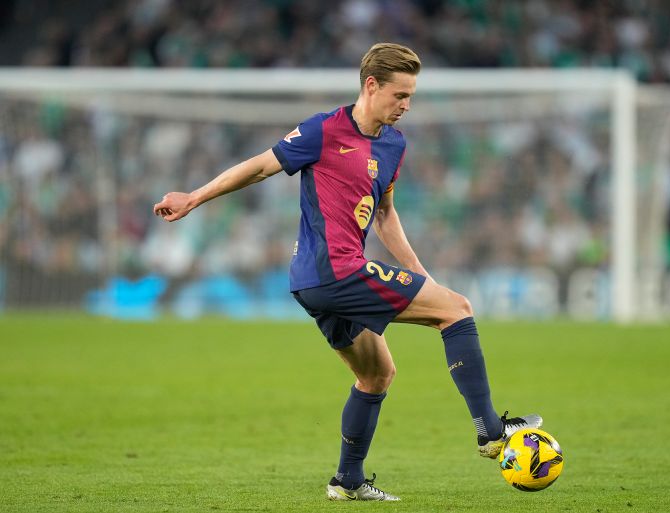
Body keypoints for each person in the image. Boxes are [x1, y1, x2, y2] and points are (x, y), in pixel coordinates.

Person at [153, 42, 542, 501]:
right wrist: (193, 198)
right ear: (371, 86)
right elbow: (260, 167)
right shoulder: (323, 130)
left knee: (376, 375)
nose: (406, 106)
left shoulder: (394, 146)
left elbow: (385, 215)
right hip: (335, 273)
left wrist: (419, 272)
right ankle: (490, 431)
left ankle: (348, 481)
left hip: (317, 284)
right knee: (457, 310)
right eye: (399, 95)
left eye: (411, 97)